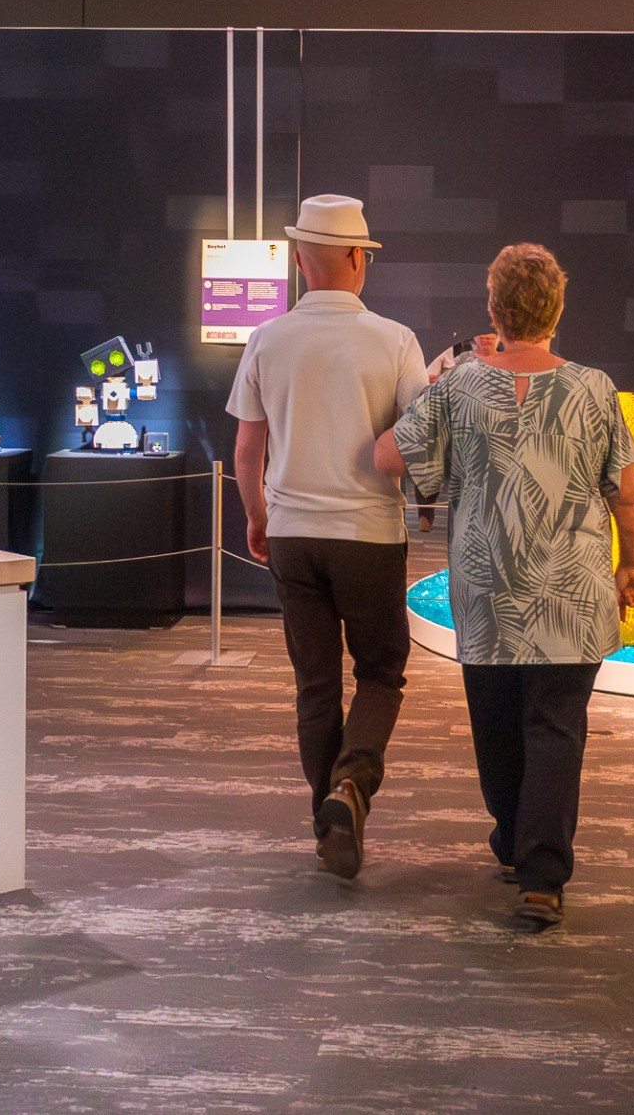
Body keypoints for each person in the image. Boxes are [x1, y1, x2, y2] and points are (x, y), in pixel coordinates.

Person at [374, 243, 634, 926]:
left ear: (494, 310)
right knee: (556, 728)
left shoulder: (460, 388)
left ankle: (511, 843)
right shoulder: (595, 389)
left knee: (495, 727)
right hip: (572, 594)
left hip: (486, 590)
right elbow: (627, 496)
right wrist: (632, 564)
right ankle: (541, 877)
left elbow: (387, 457)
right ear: (557, 309)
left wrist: (438, 394)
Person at [227, 193, 429, 880]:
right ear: (354, 258)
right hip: (369, 533)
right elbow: (415, 441)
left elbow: (247, 450)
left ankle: (329, 822)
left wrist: (257, 517)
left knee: (315, 684)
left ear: (299, 260)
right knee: (380, 672)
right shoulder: (395, 340)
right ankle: (350, 786)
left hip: (291, 534)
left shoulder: (267, 339)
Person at [416, 331, 500, 531]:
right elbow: (432, 387)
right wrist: (433, 384)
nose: (486, 336)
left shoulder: (508, 362)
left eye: (491, 332)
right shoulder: (460, 360)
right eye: (481, 333)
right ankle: (426, 513)